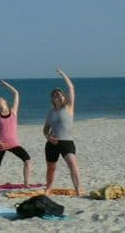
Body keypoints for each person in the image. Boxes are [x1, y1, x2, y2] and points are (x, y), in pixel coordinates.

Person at [43, 68, 83, 196]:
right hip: (52, 143)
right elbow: (45, 129)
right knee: (51, 168)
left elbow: (71, 88)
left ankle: (78, 190)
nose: (57, 96)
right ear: (52, 99)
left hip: (67, 142)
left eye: (59, 94)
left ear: (63, 96)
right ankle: (49, 188)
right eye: (55, 95)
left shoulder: (69, 107)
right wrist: (47, 136)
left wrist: (63, 74)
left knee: (72, 164)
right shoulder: (51, 112)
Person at [0, 80, 32, 187]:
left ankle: (26, 183)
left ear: (5, 101)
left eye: (0, 99)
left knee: (27, 160)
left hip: (14, 144)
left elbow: (16, 93)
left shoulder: (13, 112)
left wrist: (6, 85)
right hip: (0, 144)